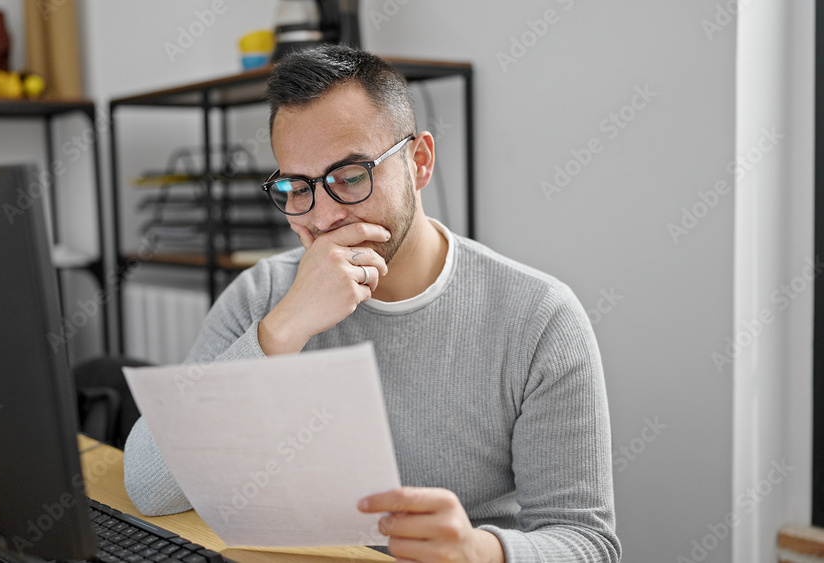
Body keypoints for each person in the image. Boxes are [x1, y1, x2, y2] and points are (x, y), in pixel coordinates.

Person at [123, 45, 621, 563]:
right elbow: (148, 486)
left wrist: (480, 551)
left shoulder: (539, 317)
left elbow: (587, 542)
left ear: (419, 161)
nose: (322, 216)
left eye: (350, 177)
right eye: (298, 187)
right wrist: (282, 330)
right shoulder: (263, 297)